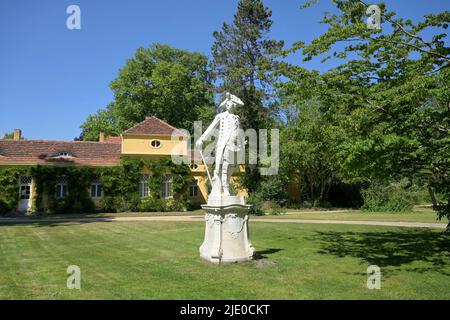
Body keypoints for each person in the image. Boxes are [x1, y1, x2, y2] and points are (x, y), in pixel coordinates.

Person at [196, 93, 244, 196]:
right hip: (225, 143)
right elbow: (211, 127)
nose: (231, 105)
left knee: (233, 165)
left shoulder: (236, 117)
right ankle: (225, 188)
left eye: (232, 104)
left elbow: (239, 130)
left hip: (236, 145)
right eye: (229, 103)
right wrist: (202, 139)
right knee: (225, 165)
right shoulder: (221, 116)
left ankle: (224, 185)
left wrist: (242, 140)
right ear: (226, 105)